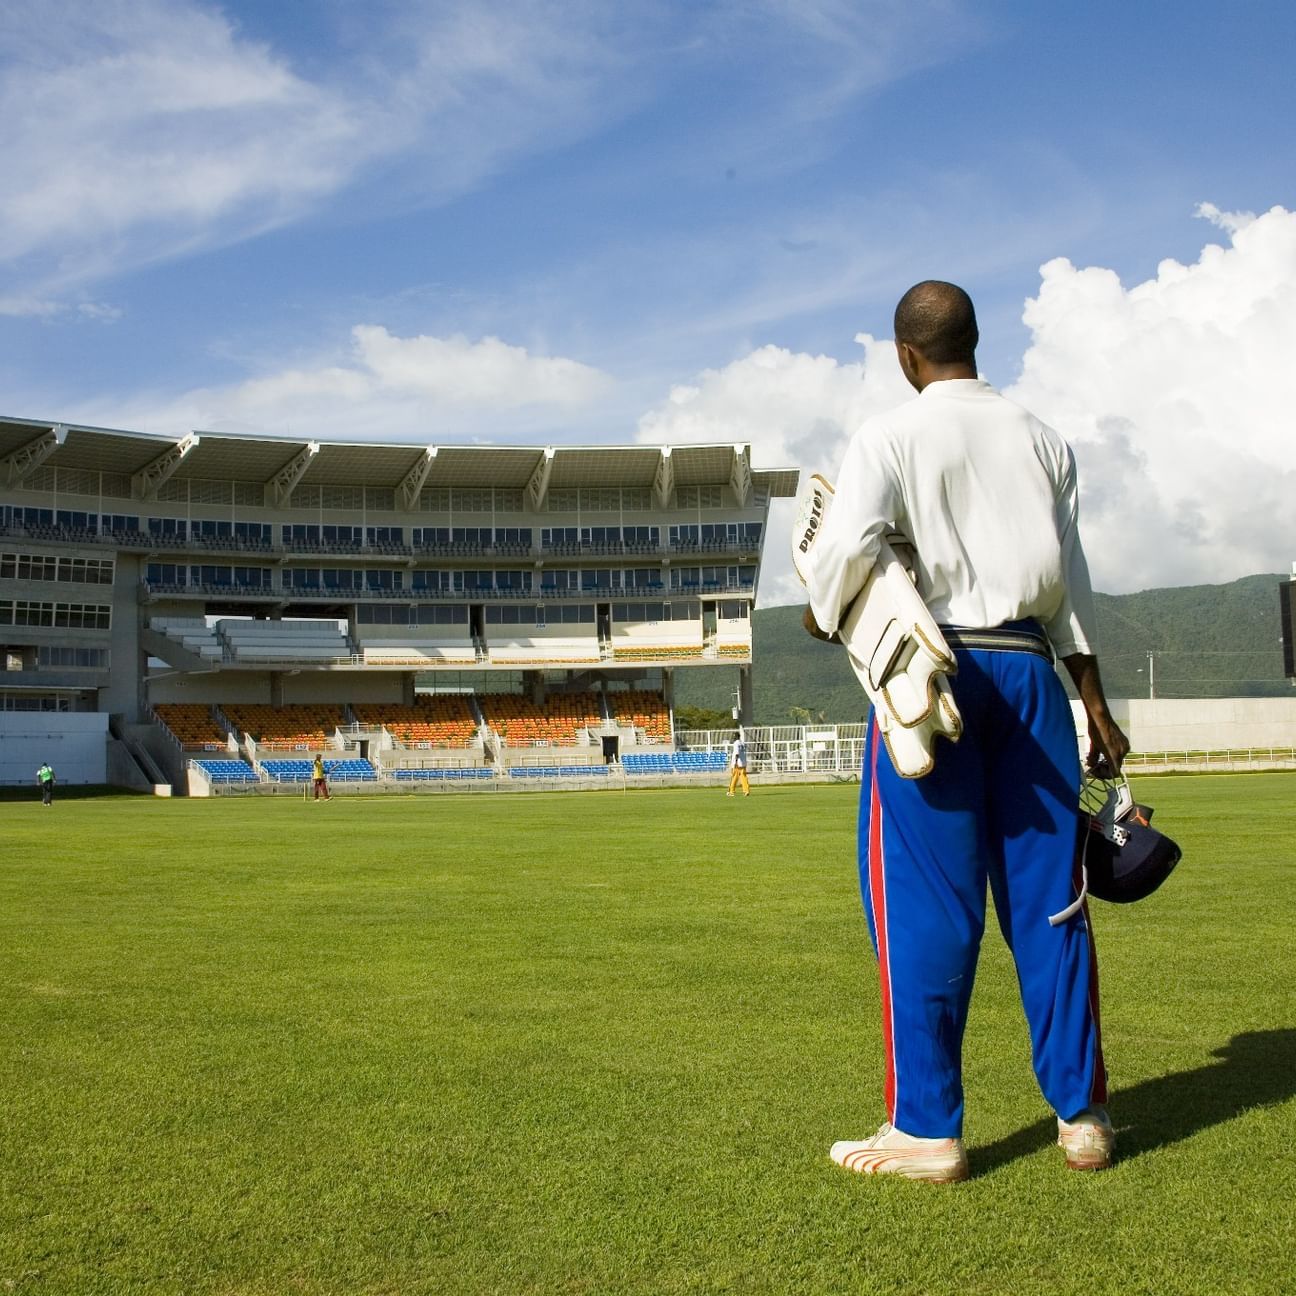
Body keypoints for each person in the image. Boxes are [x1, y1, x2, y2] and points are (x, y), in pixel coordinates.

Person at [804, 281, 1129, 1183]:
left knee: (925, 904)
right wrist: (1095, 702)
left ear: (905, 356)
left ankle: (928, 1130)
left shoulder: (890, 433)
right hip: (1031, 672)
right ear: (976, 342)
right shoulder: (1042, 437)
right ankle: (1082, 1117)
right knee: (1051, 899)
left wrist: (824, 611)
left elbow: (838, 556)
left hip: (932, 672)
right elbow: (1075, 582)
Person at [727, 732, 750, 797]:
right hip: (743, 762)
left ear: (735, 737)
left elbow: (737, 753)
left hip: (737, 763)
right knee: (743, 777)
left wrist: (736, 762)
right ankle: (746, 791)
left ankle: (731, 791)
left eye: (734, 737)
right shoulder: (742, 743)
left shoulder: (736, 743)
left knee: (734, 777)